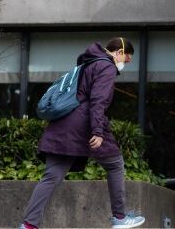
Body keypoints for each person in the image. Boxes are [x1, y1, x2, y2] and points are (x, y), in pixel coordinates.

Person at [19, 37, 145, 229]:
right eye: (127, 58)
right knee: (115, 164)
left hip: (62, 125)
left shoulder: (88, 64)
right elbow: (98, 101)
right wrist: (98, 131)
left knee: (52, 175)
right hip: (84, 125)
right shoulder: (106, 67)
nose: (126, 62)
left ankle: (28, 225)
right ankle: (120, 218)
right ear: (118, 52)